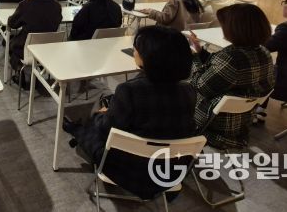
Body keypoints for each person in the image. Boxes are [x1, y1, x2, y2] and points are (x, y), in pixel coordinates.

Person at [63, 26, 196, 200]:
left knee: (94, 124)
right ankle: (78, 128)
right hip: (169, 170)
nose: (134, 50)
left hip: (130, 170)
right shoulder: (188, 91)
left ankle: (77, 130)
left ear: (150, 58)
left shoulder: (129, 91)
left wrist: (101, 115)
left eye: (137, 47)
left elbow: (106, 129)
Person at [188, 4, 275, 149]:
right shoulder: (263, 52)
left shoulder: (232, 58)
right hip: (241, 120)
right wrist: (200, 51)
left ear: (235, 28)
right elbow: (221, 68)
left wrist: (194, 57)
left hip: (214, 122)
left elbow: (200, 86)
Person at [8, 0, 62, 73]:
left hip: (26, 48)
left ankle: (18, 69)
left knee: (11, 43)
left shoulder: (25, 5)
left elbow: (12, 24)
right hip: (49, 49)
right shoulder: (57, 6)